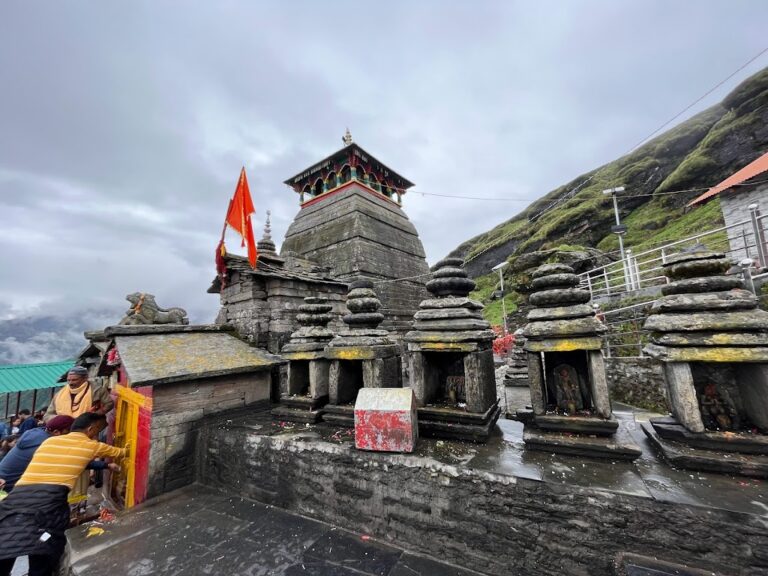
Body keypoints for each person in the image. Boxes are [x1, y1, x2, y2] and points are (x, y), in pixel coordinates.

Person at [0, 413, 127, 576]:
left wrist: (105, 466)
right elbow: (122, 452)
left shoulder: (49, 442)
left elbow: (70, 458)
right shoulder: (91, 446)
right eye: (97, 433)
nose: (96, 437)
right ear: (91, 429)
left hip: (15, 500)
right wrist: (116, 460)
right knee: (44, 551)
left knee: (6, 545)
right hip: (48, 505)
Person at [44, 366, 113, 422]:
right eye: (68, 380)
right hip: (63, 429)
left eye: (74, 380)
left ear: (85, 378)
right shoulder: (59, 394)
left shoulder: (96, 390)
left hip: (88, 426)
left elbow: (109, 404)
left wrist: (95, 414)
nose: (70, 383)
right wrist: (61, 420)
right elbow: (48, 415)